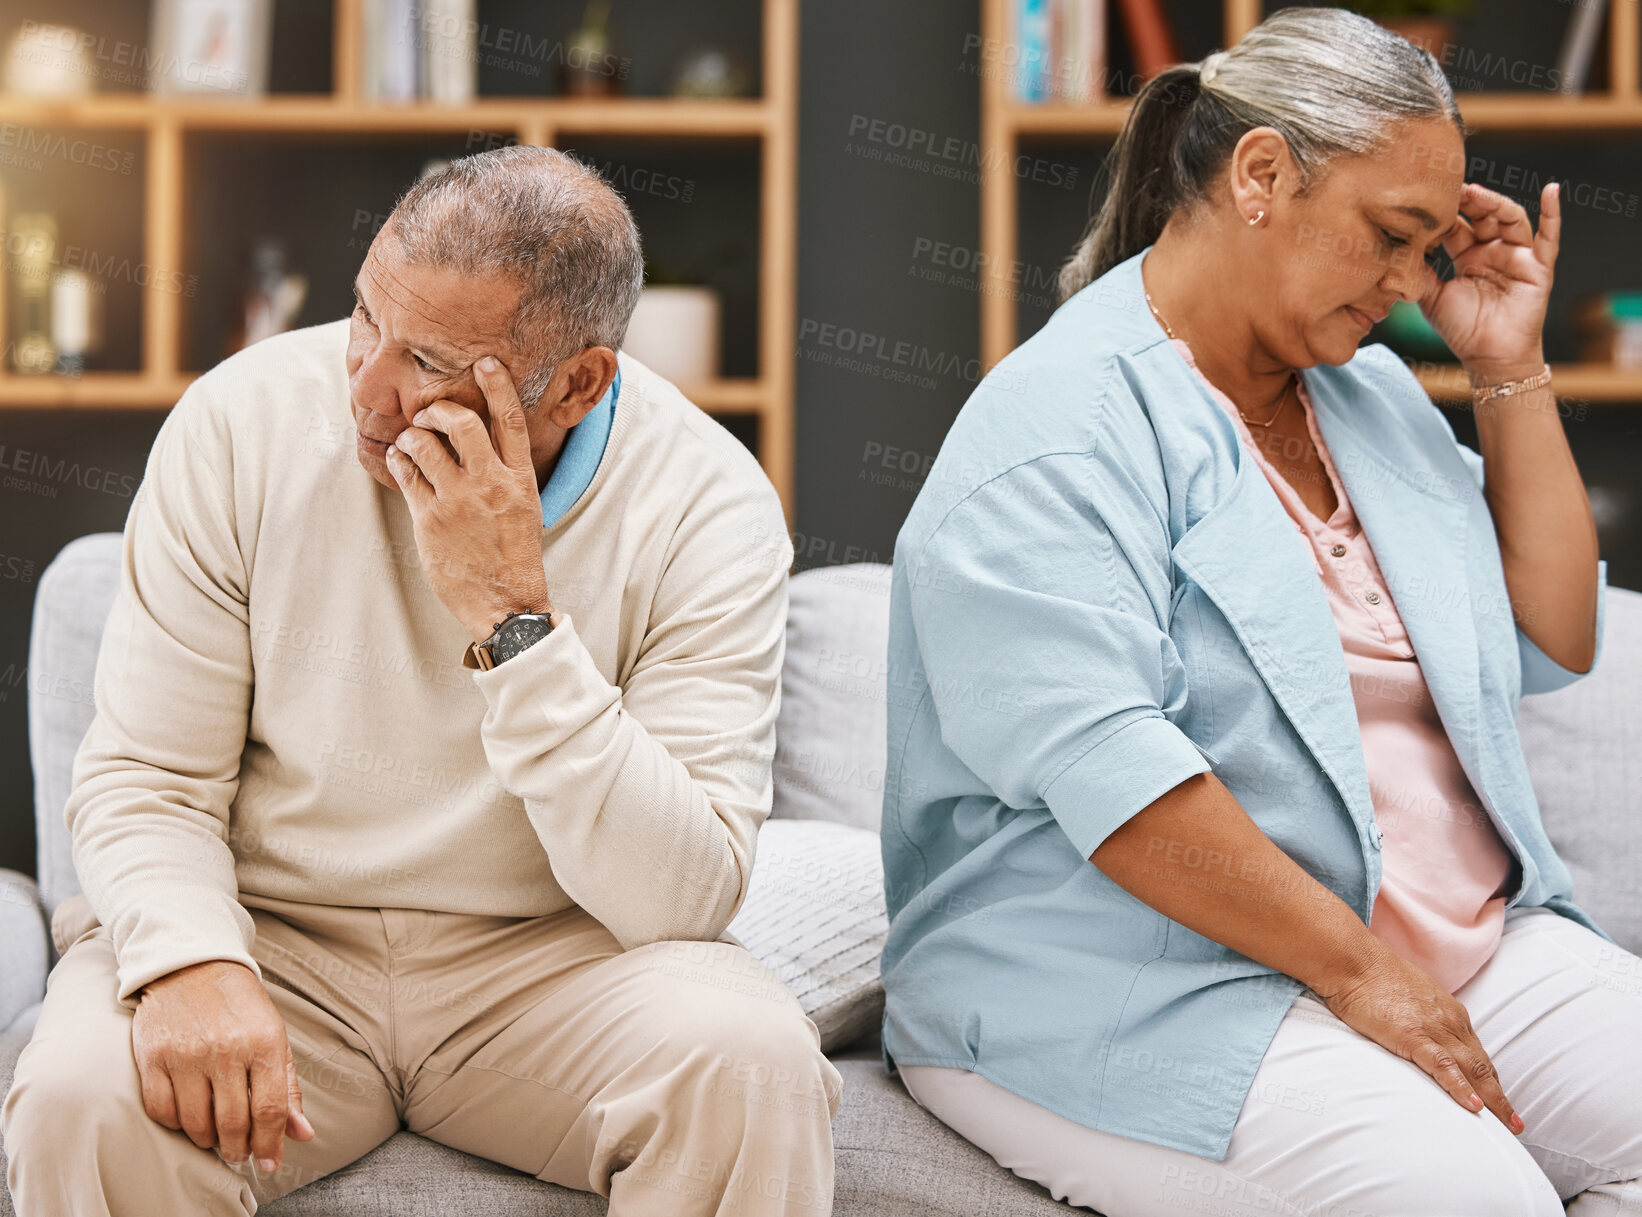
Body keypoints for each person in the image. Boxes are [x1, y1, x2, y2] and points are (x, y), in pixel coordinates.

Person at [879, 8, 1640, 1214]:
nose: (1407, 283)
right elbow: (1117, 780)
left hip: (1446, 941)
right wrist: (1361, 977)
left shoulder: (1369, 394)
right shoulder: (1053, 427)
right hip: (1140, 982)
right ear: (1262, 174)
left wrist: (1503, 364)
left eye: (1430, 245)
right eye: (1392, 235)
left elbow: (1553, 636)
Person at [2, 145, 839, 1217]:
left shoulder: (708, 502)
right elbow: (148, 775)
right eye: (364, 317)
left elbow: (680, 894)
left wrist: (512, 616)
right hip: (273, 940)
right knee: (81, 1094)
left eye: (432, 361)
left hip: (551, 962)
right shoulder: (237, 424)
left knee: (752, 1064)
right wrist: (190, 960)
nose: (364, 389)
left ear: (577, 382)